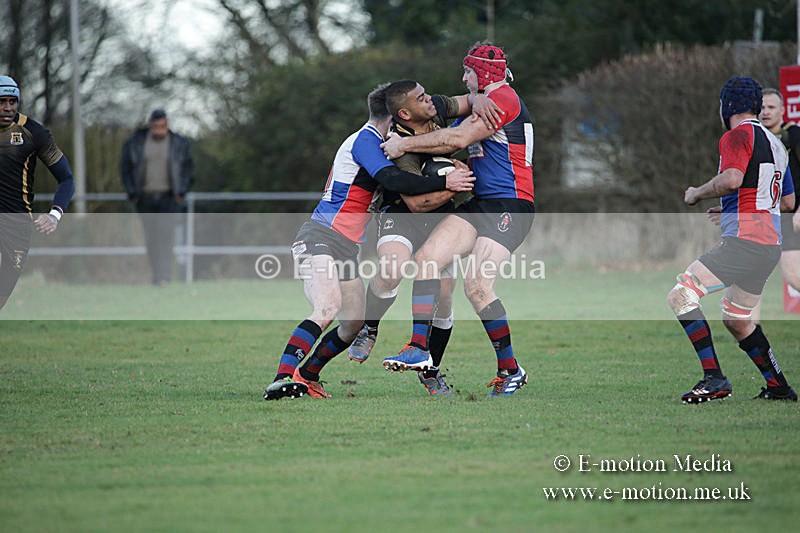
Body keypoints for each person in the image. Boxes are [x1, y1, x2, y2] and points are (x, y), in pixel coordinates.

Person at [263, 83, 475, 401]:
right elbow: (393, 180)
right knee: (327, 306)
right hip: (320, 236)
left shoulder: (382, 139)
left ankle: (308, 376)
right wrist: (446, 180)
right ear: (395, 115)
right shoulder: (366, 140)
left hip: (347, 246)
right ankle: (282, 379)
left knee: (352, 324)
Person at [380, 42, 535, 397]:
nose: (463, 78)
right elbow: (443, 114)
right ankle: (419, 348)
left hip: (511, 206)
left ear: (481, 73)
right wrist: (475, 96)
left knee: (477, 287)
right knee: (426, 260)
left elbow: (457, 137)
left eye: (467, 72)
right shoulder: (487, 99)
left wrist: (403, 146)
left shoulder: (505, 100)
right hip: (482, 204)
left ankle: (510, 369)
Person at [347, 79, 501, 396]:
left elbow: (465, 101)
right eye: (420, 98)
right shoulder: (397, 147)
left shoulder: (436, 107)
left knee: (444, 297)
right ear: (405, 113)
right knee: (392, 268)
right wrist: (453, 182)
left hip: (442, 217)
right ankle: (370, 326)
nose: (428, 98)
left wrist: (480, 99)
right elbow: (416, 204)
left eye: (425, 93)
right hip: (403, 214)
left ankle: (430, 371)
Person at [667, 76, 797, 403]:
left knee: (682, 295)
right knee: (737, 320)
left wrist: (697, 192)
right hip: (768, 245)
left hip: (746, 241)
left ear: (728, 105)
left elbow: (733, 178)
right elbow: (786, 203)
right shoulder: (776, 144)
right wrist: (730, 208)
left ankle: (714, 379)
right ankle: (779, 386)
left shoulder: (737, 134)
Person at [0, 75, 75, 310]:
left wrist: (54, 215)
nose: (7, 107)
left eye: (13, 101)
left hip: (18, 223)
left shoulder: (34, 133)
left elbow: (66, 179)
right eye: (2, 101)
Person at [120, 109, 194, 285]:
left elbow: (188, 169)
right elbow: (126, 168)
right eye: (156, 126)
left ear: (167, 125)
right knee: (151, 238)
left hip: (169, 198)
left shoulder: (178, 143)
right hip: (144, 198)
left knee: (166, 237)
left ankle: (164, 277)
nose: (159, 130)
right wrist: (133, 193)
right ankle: (156, 275)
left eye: (162, 126)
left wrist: (180, 192)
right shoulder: (136, 143)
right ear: (150, 125)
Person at [758, 88, 800, 306]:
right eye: (762, 107)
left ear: (783, 110)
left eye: (771, 107)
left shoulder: (794, 135)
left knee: (794, 275)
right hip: (761, 218)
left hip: (789, 216)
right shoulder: (755, 138)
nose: (766, 112)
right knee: (748, 278)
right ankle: (751, 335)